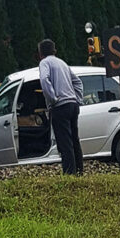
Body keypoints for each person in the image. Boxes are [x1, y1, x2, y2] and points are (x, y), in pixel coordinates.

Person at [38, 39, 85, 175]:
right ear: (54, 50)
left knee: (65, 143)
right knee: (74, 139)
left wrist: (52, 99)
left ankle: (69, 174)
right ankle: (79, 171)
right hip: (73, 104)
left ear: (41, 53)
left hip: (60, 106)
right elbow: (78, 82)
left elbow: (44, 80)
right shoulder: (62, 63)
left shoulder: (44, 63)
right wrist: (78, 99)